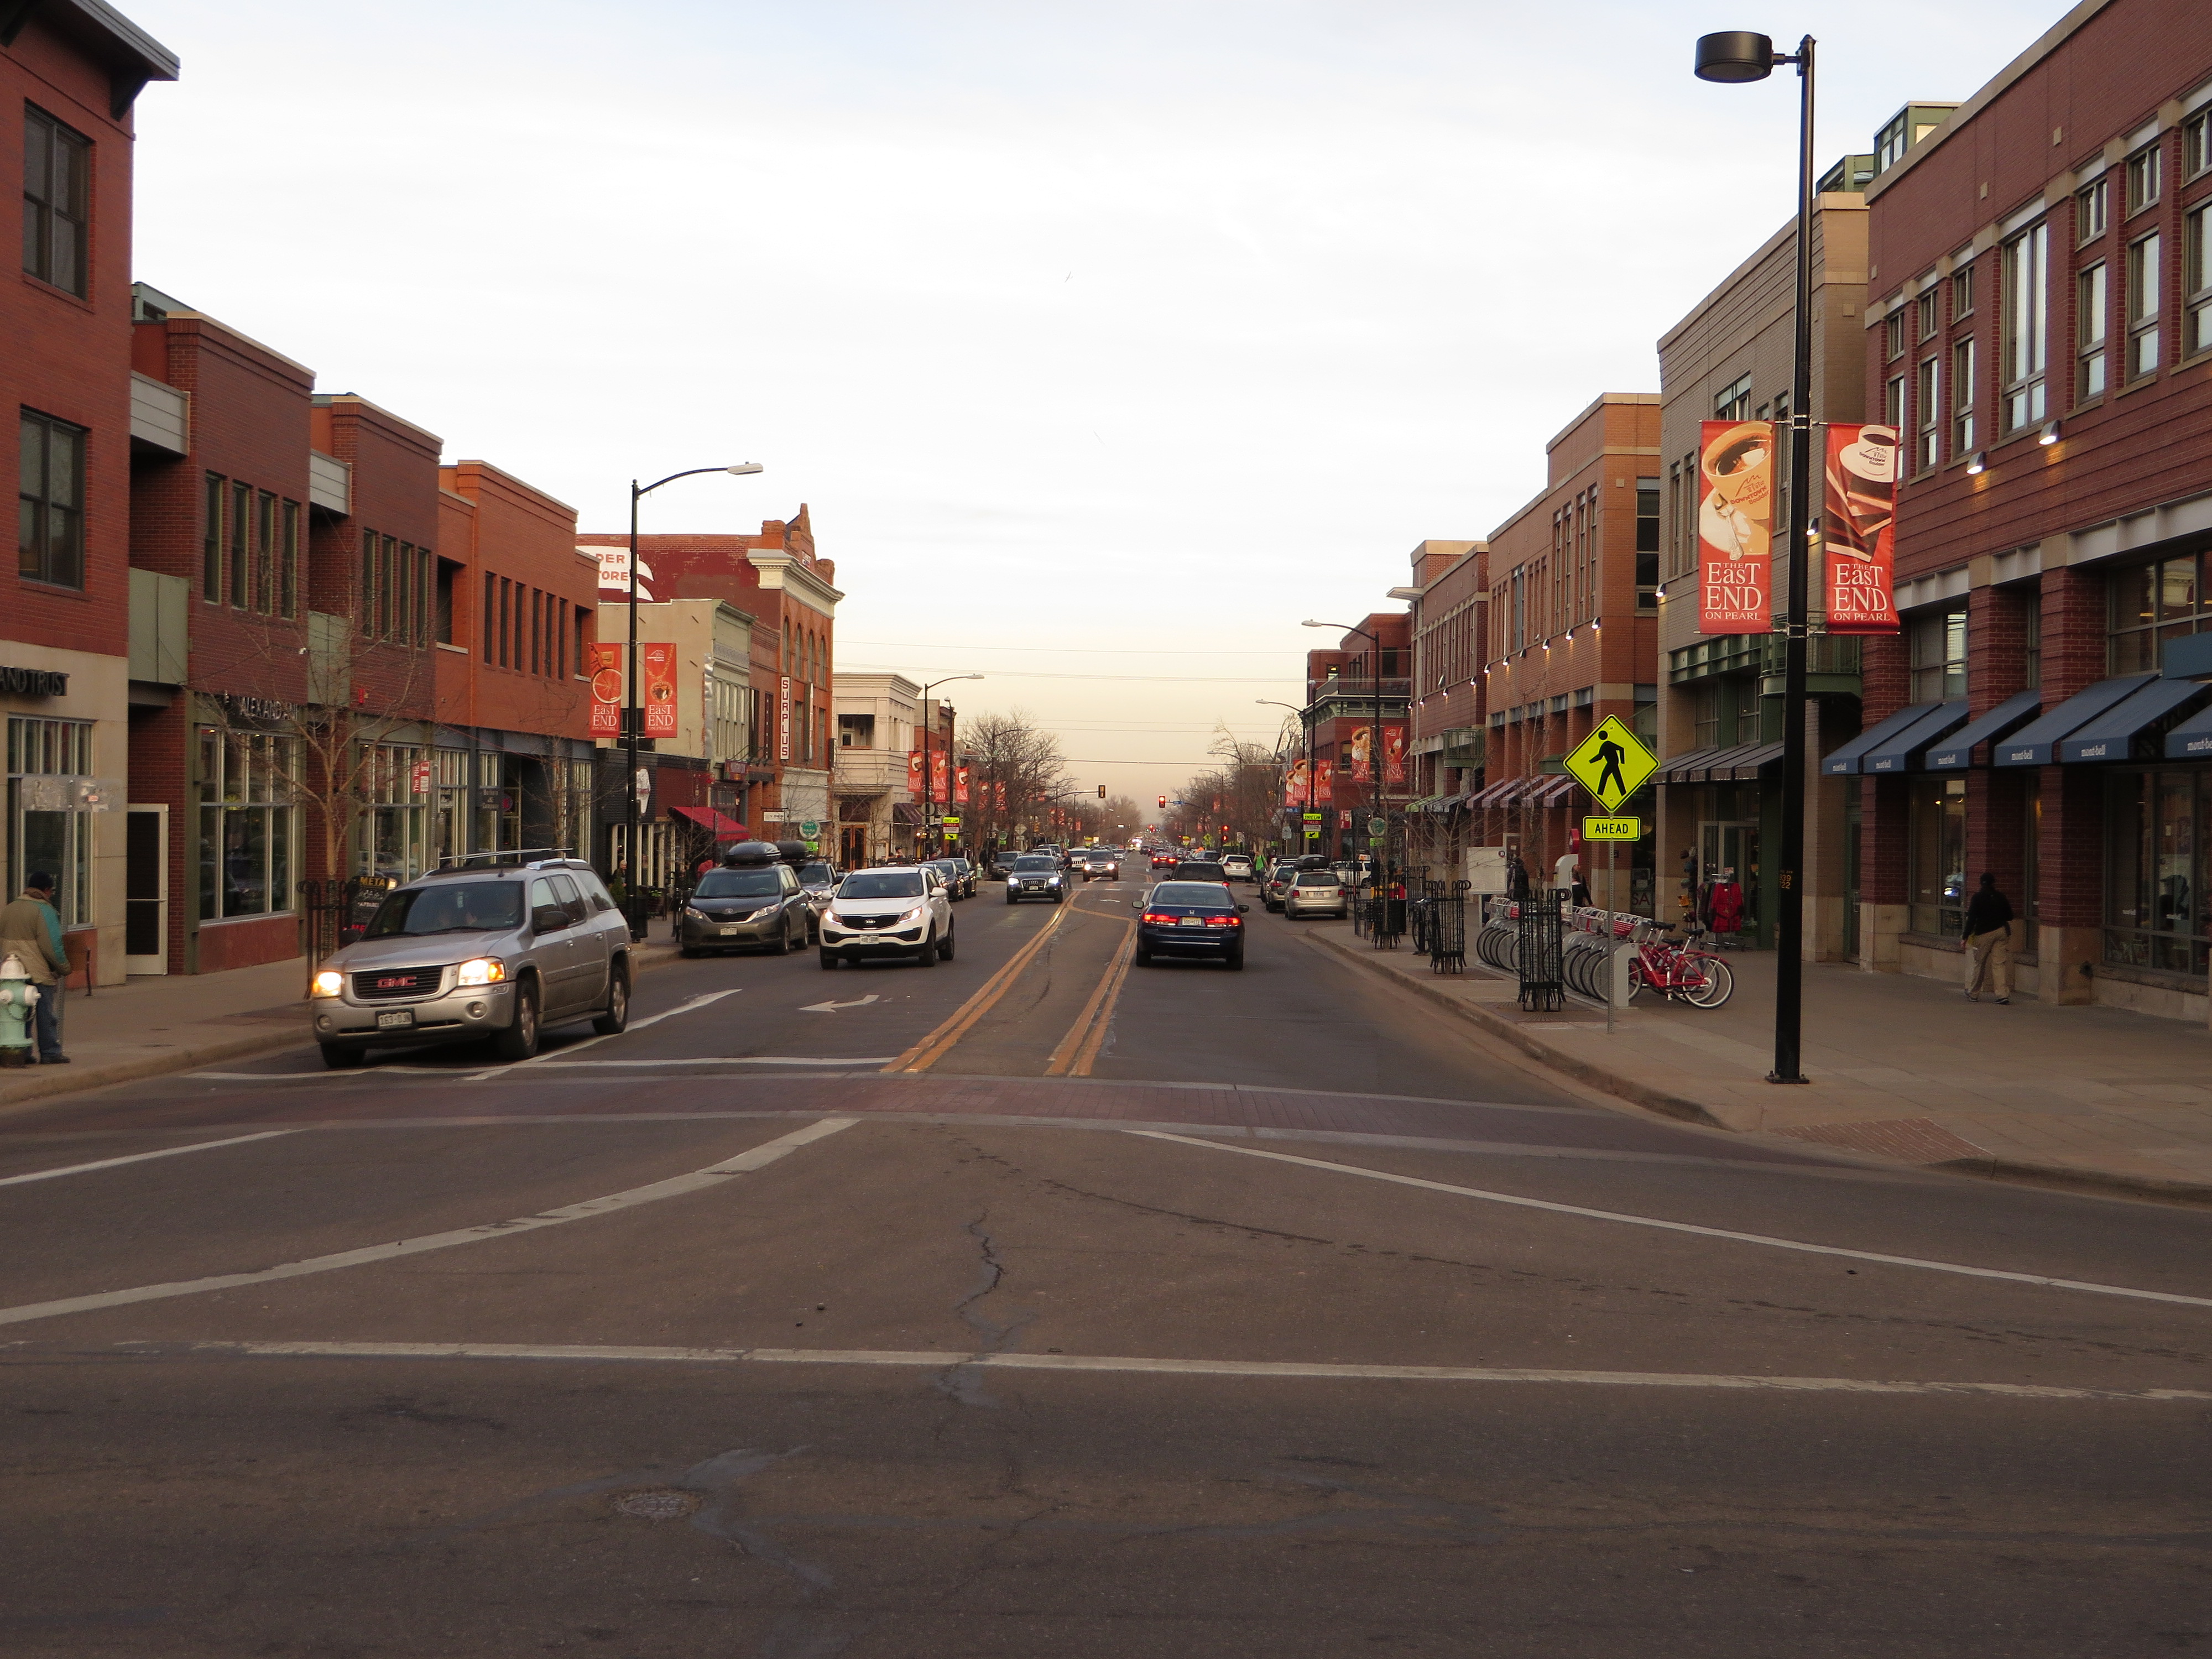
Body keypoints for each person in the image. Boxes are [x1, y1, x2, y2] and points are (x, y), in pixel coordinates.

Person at [0, 872, 70, 1063]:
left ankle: (22, 1051)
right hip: (37, 971)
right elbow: (53, 946)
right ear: (46, 890)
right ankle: (50, 1052)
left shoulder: (9, 908)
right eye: (51, 891)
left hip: (11, 971)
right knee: (45, 1014)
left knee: (18, 1012)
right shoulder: (44, 911)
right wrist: (63, 967)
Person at [1962, 872, 2015, 1004]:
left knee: (1979, 963)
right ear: (1994, 883)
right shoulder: (2001, 897)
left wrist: (1965, 936)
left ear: (1981, 883)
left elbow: (1971, 919)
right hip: (2002, 931)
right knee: (1999, 964)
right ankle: (2002, 995)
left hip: (1983, 933)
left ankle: (1974, 993)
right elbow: (2010, 916)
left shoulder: (1977, 897)